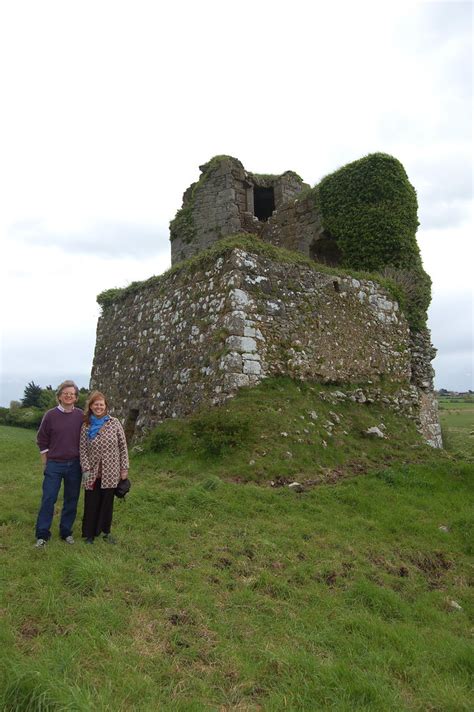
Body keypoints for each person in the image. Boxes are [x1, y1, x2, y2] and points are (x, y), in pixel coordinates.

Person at [35, 380, 84, 547]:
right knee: (48, 499)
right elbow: (41, 439)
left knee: (71, 499)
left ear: (76, 397)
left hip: (75, 465)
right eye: (65, 393)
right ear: (60, 396)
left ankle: (66, 532)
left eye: (72, 394)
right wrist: (45, 462)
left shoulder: (80, 416)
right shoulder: (50, 415)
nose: (69, 396)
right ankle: (42, 535)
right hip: (54, 464)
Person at [80, 391, 129, 544]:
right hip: (91, 471)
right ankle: (89, 534)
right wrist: (86, 468)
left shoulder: (114, 423)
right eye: (96, 404)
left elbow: (123, 446)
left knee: (107, 503)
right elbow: (82, 449)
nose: (99, 407)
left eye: (101, 404)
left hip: (111, 471)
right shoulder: (86, 425)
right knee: (91, 503)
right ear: (91, 406)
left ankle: (106, 532)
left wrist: (124, 468)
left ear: (106, 406)